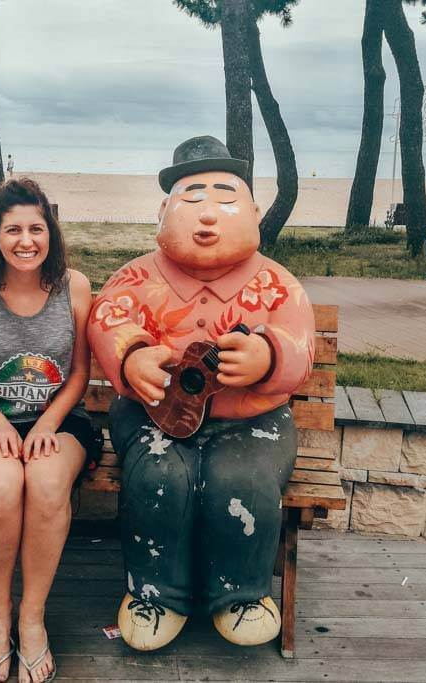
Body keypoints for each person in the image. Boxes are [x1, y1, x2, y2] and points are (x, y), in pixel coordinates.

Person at [87, 136, 316, 652]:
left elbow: (300, 344)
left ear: (254, 211)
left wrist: (268, 357)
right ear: (164, 211)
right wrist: (132, 356)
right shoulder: (137, 276)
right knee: (158, 473)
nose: (208, 216)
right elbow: (109, 317)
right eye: (191, 200)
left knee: (244, 477)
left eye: (225, 199)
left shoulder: (277, 284)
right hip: (153, 416)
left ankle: (241, 593)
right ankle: (153, 593)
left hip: (251, 422)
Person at [0, 178, 98, 683]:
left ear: (50, 232)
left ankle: (33, 619)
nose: (26, 240)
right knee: (5, 484)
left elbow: (79, 374)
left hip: (60, 419)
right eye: (13, 230)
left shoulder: (74, 286)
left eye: (36, 228)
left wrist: (49, 421)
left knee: (49, 483)